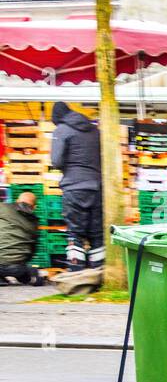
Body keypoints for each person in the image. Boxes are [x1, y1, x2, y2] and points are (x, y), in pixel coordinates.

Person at [49, 101, 104, 273]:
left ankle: (77, 270)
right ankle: (99, 270)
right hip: (96, 187)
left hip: (74, 187)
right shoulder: (95, 130)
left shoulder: (61, 130)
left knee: (75, 231)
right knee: (96, 232)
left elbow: (56, 161)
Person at [0, 191, 45, 285]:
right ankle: (29, 275)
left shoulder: (3, 207)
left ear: (17, 201)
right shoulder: (34, 223)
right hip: (17, 265)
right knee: (21, 273)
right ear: (35, 207)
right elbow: (33, 249)